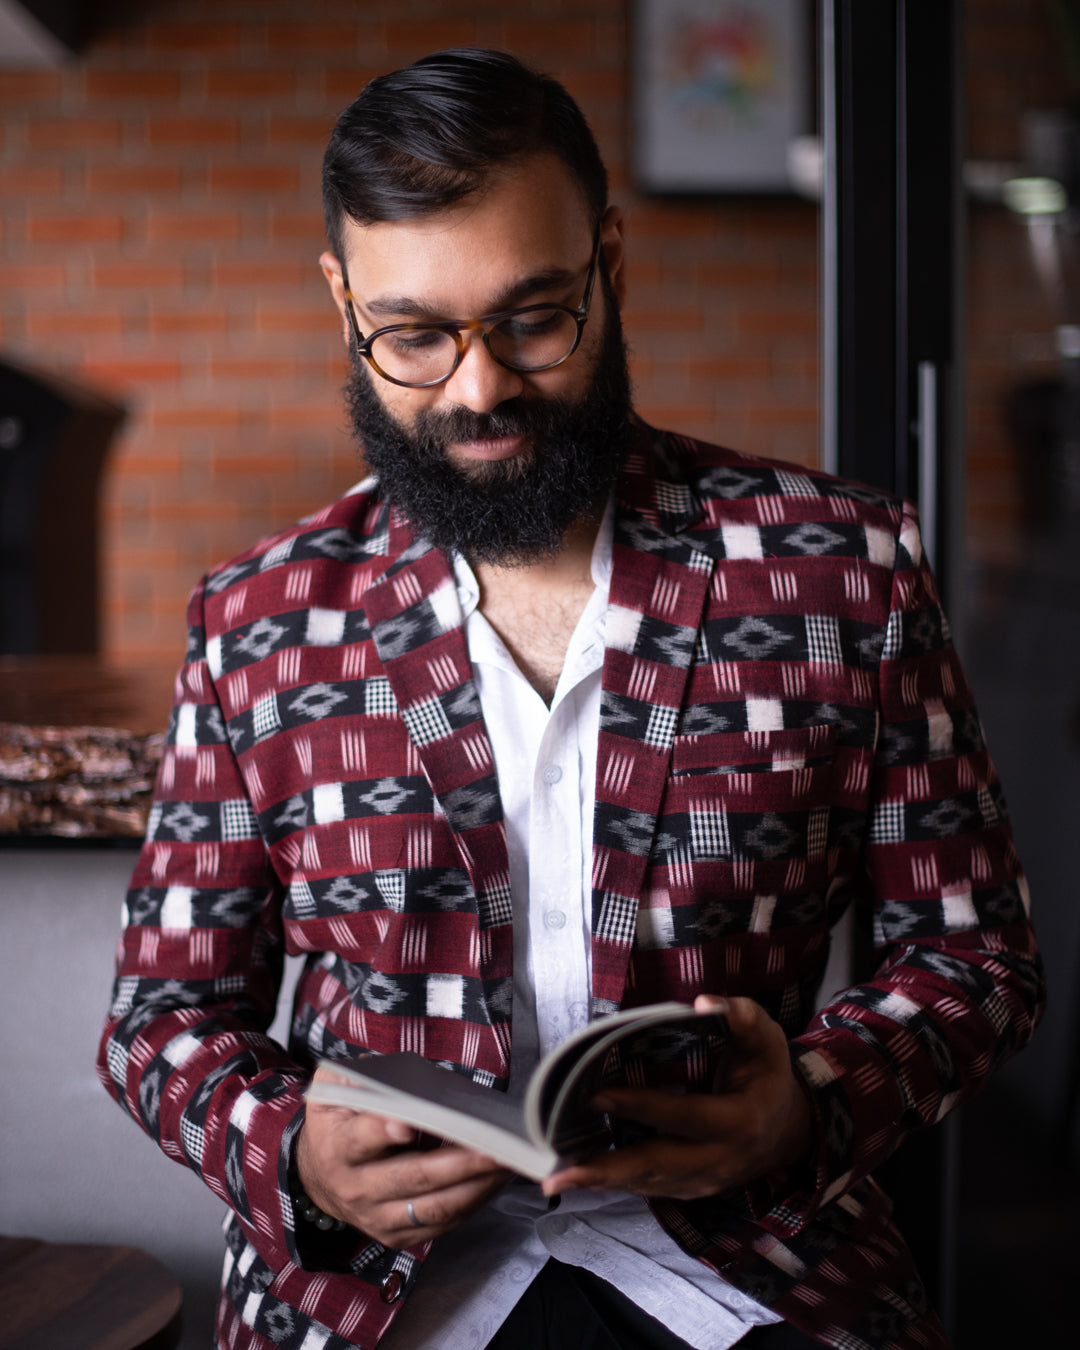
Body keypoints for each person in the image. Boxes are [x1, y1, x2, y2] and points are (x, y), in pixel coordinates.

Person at [97, 47, 1044, 1350]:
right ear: (343, 297)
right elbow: (162, 1018)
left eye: (533, 317)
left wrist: (810, 1100)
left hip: (756, 1270)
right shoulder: (259, 618)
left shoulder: (840, 569)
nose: (479, 389)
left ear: (608, 263)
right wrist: (296, 1158)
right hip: (376, 1295)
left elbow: (977, 953)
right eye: (416, 335)